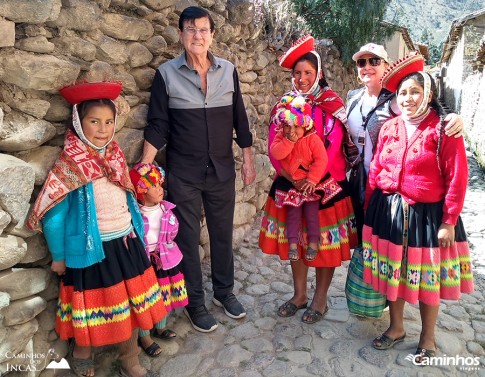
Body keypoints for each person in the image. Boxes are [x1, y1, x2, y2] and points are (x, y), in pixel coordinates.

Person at [27, 81, 165, 377]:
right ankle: (82, 355)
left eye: (108, 122)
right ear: (78, 121)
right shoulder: (69, 166)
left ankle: (129, 358)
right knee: (90, 310)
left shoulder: (114, 156)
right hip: (92, 251)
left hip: (125, 243)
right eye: (94, 121)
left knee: (127, 307)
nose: (102, 129)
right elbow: (54, 216)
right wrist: (60, 256)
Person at [141, 6, 256, 333]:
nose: (197, 35)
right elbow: (158, 125)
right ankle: (195, 303)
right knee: (188, 239)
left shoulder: (228, 71)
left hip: (221, 169)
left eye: (203, 30)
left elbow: (240, 119)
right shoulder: (166, 75)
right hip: (184, 173)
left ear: (212, 35)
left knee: (222, 233)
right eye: (190, 30)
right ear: (181, 35)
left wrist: (247, 159)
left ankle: (224, 293)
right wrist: (145, 165)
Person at [362, 53, 474, 362]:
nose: (408, 98)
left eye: (414, 91)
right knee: (393, 273)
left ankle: (428, 338)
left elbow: (457, 177)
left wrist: (449, 221)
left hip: (428, 216)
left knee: (426, 278)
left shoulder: (443, 130)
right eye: (402, 93)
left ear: (428, 94)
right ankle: (396, 327)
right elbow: (375, 171)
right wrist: (370, 212)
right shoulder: (390, 128)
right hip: (389, 213)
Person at [259, 35, 358, 324]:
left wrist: (315, 178)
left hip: (329, 186)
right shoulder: (285, 105)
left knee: (324, 245)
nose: (302, 79)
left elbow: (343, 143)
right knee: (298, 240)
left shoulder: (333, 105)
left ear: (319, 74)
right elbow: (273, 147)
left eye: (308, 73)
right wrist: (294, 177)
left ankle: (320, 298)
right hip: (291, 185)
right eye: (297, 73)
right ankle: (299, 294)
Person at [346, 43, 464, 244]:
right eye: (361, 62)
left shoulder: (396, 100)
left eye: (374, 61)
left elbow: (456, 175)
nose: (367, 66)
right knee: (366, 247)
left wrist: (453, 119)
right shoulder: (353, 98)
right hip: (364, 182)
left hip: (421, 210)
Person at [129, 163, 188, 357]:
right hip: (145, 263)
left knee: (164, 294)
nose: (160, 189)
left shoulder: (165, 209)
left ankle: (160, 327)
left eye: (160, 185)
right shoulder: (135, 215)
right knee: (145, 299)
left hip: (164, 260)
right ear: (142, 191)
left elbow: (173, 230)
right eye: (154, 187)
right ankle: (145, 336)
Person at [270, 94, 329, 262]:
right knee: (293, 215)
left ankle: (313, 243)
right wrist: (288, 142)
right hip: (291, 185)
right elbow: (276, 153)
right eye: (287, 126)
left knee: (311, 214)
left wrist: (312, 179)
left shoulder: (312, 139)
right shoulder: (281, 137)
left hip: (308, 185)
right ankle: (293, 245)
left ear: (306, 127)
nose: (291, 130)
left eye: (296, 126)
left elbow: (321, 159)